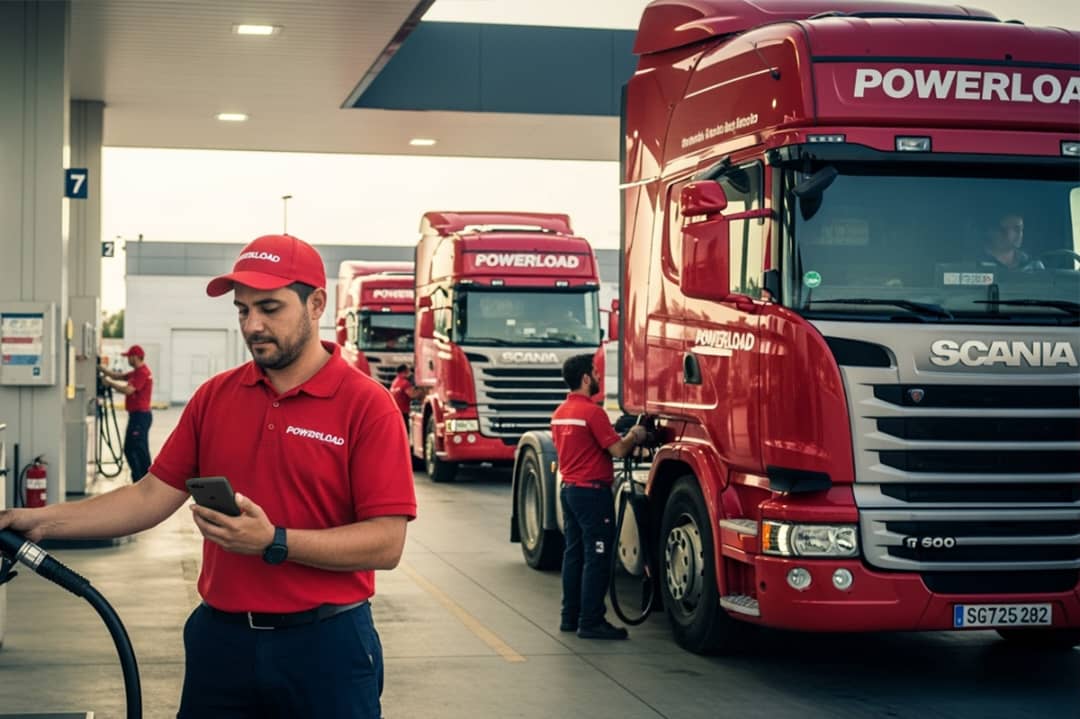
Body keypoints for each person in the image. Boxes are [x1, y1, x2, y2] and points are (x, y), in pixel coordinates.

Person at [1, 233, 417, 718]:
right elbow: (149, 497)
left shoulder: (367, 406)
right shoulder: (215, 398)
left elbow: (386, 543)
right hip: (221, 644)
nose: (253, 325)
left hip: (326, 647)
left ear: (316, 304)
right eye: (243, 310)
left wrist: (274, 541)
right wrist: (37, 521)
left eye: (270, 308)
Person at [552, 353, 646, 640]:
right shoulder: (592, 413)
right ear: (585, 378)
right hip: (592, 494)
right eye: (595, 372)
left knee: (574, 555)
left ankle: (569, 617)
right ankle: (591, 621)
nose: (599, 376)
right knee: (598, 557)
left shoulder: (559, 413)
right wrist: (635, 435)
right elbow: (618, 450)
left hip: (569, 491)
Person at [100, 344, 154, 482]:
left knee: (133, 449)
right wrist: (100, 368)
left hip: (140, 417)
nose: (128, 359)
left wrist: (109, 384)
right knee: (138, 448)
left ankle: (140, 479)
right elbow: (117, 376)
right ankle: (143, 479)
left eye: (129, 357)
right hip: (137, 416)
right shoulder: (136, 372)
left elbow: (128, 390)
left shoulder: (142, 372)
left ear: (135, 357)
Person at [980, 212, 1045, 271]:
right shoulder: (977, 262)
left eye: (1021, 229)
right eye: (1016, 228)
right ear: (994, 231)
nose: (1020, 233)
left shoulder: (1033, 266)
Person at [389, 363, 419, 427]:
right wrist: (423, 391)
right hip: (403, 412)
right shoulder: (405, 383)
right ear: (404, 372)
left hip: (395, 410)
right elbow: (412, 395)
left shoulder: (395, 381)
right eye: (408, 370)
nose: (410, 373)